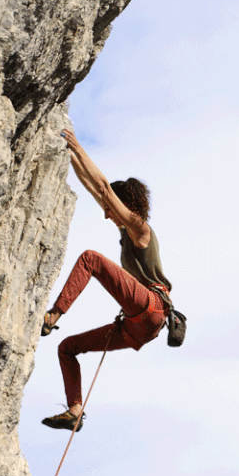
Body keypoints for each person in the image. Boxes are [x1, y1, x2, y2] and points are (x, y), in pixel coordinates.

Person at [40, 129, 172, 432]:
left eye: (111, 210)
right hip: (137, 329)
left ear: (126, 205)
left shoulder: (140, 229)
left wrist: (77, 145)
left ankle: (53, 314)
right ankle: (74, 411)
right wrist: (69, 156)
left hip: (152, 308)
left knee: (91, 259)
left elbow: (103, 186)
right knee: (67, 348)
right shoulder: (126, 233)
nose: (106, 215)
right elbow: (95, 189)